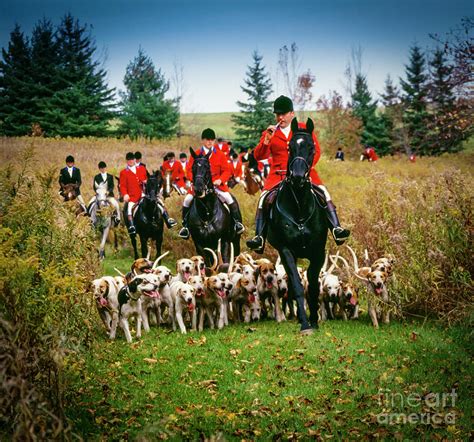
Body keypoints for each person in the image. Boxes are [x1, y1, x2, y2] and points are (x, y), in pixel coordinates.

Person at [246, 95, 350, 253]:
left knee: (324, 193)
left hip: (305, 173)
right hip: (278, 175)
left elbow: (316, 151)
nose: (280, 117)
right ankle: (259, 237)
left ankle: (336, 229)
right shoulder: (269, 132)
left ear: (291, 114)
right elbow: (258, 156)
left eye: (284, 113)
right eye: (278, 114)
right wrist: (266, 140)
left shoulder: (303, 128)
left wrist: (306, 169)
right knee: (263, 199)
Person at [178, 128, 245, 239]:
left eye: (212, 140)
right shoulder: (196, 154)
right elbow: (189, 170)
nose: (210, 142)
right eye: (207, 140)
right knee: (187, 200)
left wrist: (220, 180)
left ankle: (237, 223)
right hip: (199, 186)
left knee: (229, 199)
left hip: (217, 186)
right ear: (203, 140)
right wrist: (194, 181)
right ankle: (185, 227)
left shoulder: (220, 154)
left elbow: (227, 171)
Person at [120, 152, 177, 234]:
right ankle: (132, 226)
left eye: (132, 159)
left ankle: (168, 219)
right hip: (132, 196)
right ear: (127, 161)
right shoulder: (123, 172)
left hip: (144, 194)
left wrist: (147, 182)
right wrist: (125, 194)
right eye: (129, 160)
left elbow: (146, 180)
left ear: (134, 160)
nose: (131, 161)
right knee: (129, 209)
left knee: (159, 203)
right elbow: (123, 186)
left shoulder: (141, 168)